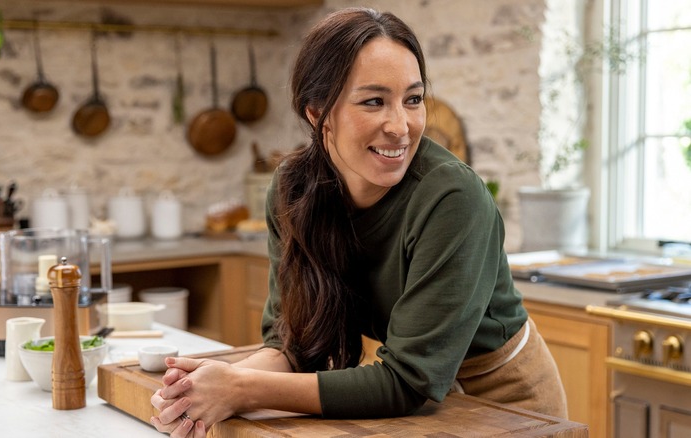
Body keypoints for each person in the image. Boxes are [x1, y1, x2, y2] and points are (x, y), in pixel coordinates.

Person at [150, 7, 567, 437]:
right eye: (374, 101)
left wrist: (240, 387)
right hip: (409, 405)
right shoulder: (292, 190)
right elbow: (291, 345)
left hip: (504, 404)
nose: (401, 126)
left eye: (413, 99)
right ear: (317, 112)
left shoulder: (452, 199)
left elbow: (406, 382)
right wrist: (199, 390)